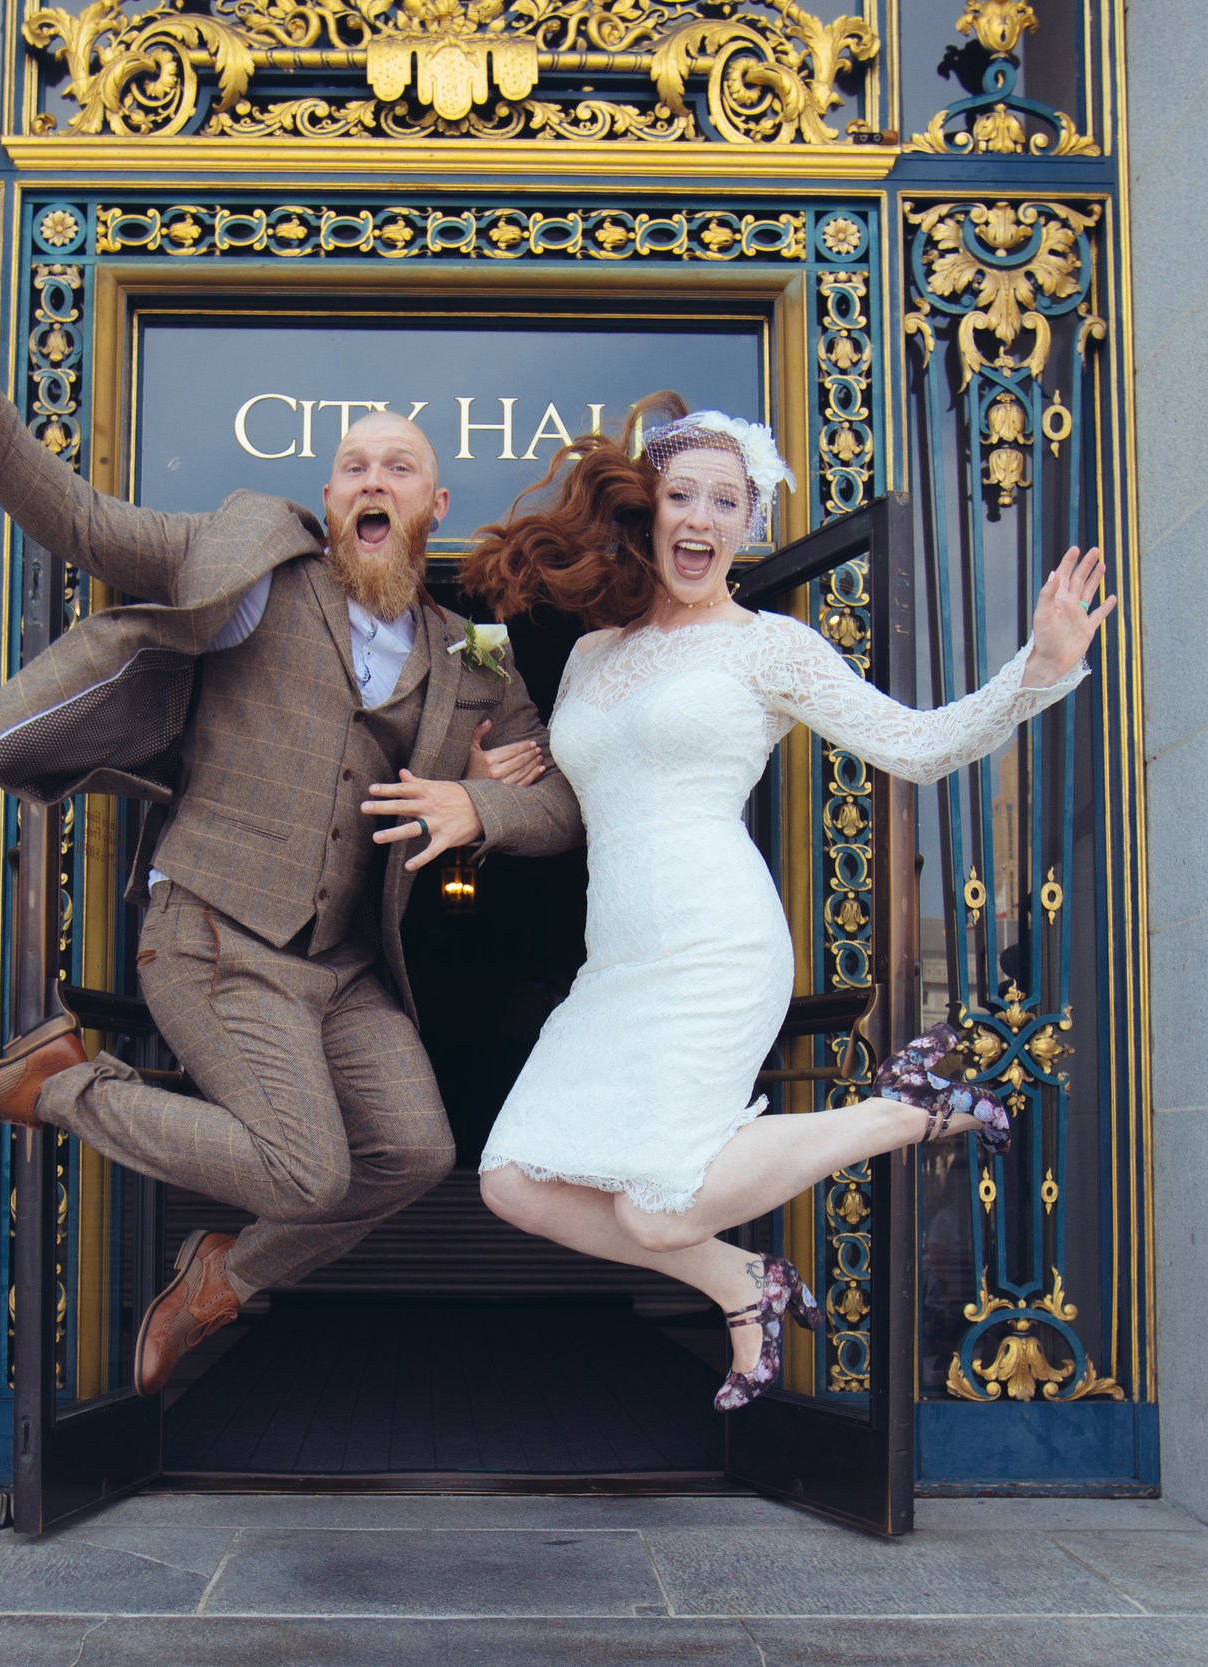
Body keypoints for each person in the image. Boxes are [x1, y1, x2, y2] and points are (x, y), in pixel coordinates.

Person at [0, 331, 580, 1396]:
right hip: (212, 925)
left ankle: (222, 1273)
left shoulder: (471, 657)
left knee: (417, 1153)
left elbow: (560, 808)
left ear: (437, 508)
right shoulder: (254, 570)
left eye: (398, 467)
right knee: (306, 1165)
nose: (370, 480)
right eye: (353, 466)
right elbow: (76, 518)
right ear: (330, 496)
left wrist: (474, 801)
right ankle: (65, 1086)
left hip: (343, 966)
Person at [462, 393, 1114, 1410]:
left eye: (728, 501)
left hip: (716, 938)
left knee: (655, 1203)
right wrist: (486, 790)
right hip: (615, 960)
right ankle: (740, 1278)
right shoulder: (593, 653)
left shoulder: (768, 646)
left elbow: (918, 744)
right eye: (683, 494)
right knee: (514, 1181)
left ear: (749, 525)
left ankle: (899, 1115)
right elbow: (581, 791)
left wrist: (1034, 673)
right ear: (649, 508)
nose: (702, 519)